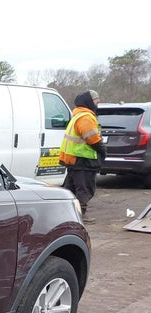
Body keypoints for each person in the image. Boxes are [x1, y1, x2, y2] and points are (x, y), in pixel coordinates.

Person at [59, 90, 106, 223]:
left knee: (71, 188)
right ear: (90, 102)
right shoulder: (86, 117)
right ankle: (80, 215)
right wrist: (102, 149)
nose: (98, 102)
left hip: (74, 159)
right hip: (83, 160)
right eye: (96, 100)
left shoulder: (77, 115)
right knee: (85, 189)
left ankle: (66, 214)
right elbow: (92, 139)